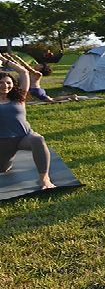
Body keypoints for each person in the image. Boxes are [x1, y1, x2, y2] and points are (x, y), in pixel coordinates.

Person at [0, 53, 55, 189]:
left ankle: (44, 179)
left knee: (38, 139)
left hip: (23, 137)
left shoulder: (20, 98)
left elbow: (23, 72)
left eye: (8, 82)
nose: (5, 86)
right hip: (2, 142)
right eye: (0, 83)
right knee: (3, 169)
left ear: (13, 84)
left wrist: (4, 60)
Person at [6, 53, 77, 102]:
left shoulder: (38, 74)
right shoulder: (30, 72)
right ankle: (71, 96)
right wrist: (10, 58)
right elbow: (19, 65)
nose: (37, 64)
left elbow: (26, 66)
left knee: (51, 100)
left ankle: (70, 96)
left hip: (36, 91)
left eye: (40, 65)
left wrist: (18, 57)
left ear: (41, 69)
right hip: (30, 90)